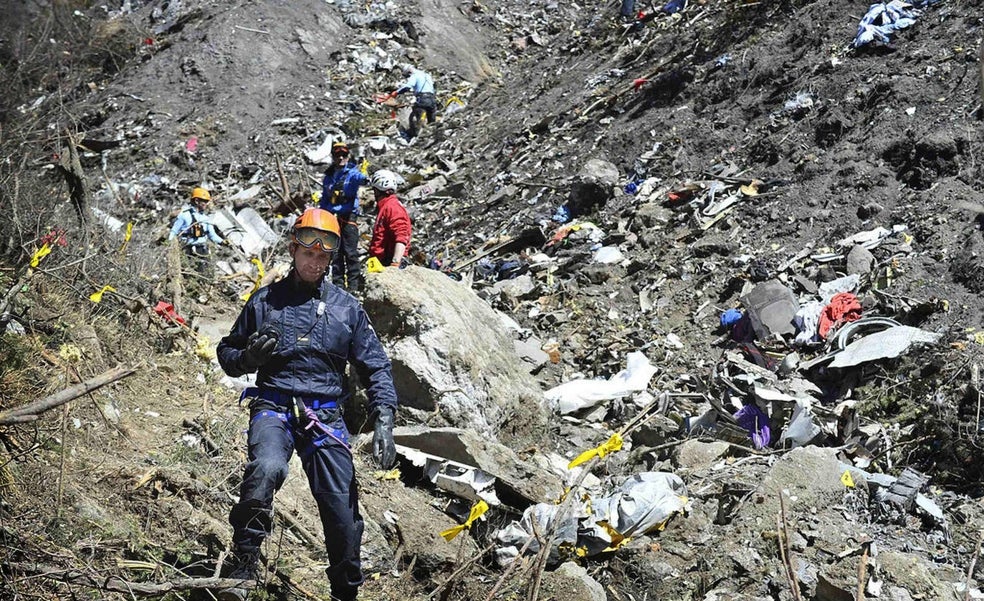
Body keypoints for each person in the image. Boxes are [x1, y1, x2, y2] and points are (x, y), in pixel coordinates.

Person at [215, 207, 398, 601]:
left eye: (322, 255)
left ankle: (345, 592)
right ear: (293, 250)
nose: (314, 261)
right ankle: (242, 568)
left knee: (341, 512)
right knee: (266, 468)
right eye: (307, 252)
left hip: (325, 415)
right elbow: (226, 352)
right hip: (273, 405)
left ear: (331, 257)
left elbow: (376, 366)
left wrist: (384, 415)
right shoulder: (265, 301)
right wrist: (248, 359)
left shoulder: (347, 309)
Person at [319, 141, 368, 293]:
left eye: (344, 154)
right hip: (332, 217)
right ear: (333, 156)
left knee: (350, 252)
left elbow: (361, 179)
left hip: (348, 217)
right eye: (337, 155)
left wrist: (366, 176)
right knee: (335, 253)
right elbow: (324, 199)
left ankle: (353, 287)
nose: (341, 157)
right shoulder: (328, 176)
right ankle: (339, 286)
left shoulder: (352, 173)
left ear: (348, 156)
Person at [367, 170, 411, 268]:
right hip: (380, 261)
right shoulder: (386, 206)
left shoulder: (392, 207)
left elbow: (401, 234)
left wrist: (395, 262)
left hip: (388, 260)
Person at [167, 187, 229, 255]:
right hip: (187, 251)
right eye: (204, 201)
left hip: (203, 250)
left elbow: (212, 235)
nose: (207, 203)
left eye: (207, 201)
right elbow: (174, 231)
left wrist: (223, 242)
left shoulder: (206, 218)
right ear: (196, 201)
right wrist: (169, 247)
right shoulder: (184, 215)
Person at [394, 64, 436, 140]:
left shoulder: (415, 75)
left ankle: (415, 136)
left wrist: (396, 92)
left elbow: (407, 86)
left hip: (422, 99)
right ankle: (432, 135)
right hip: (432, 99)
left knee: (415, 117)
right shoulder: (427, 75)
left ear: (409, 71)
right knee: (432, 121)